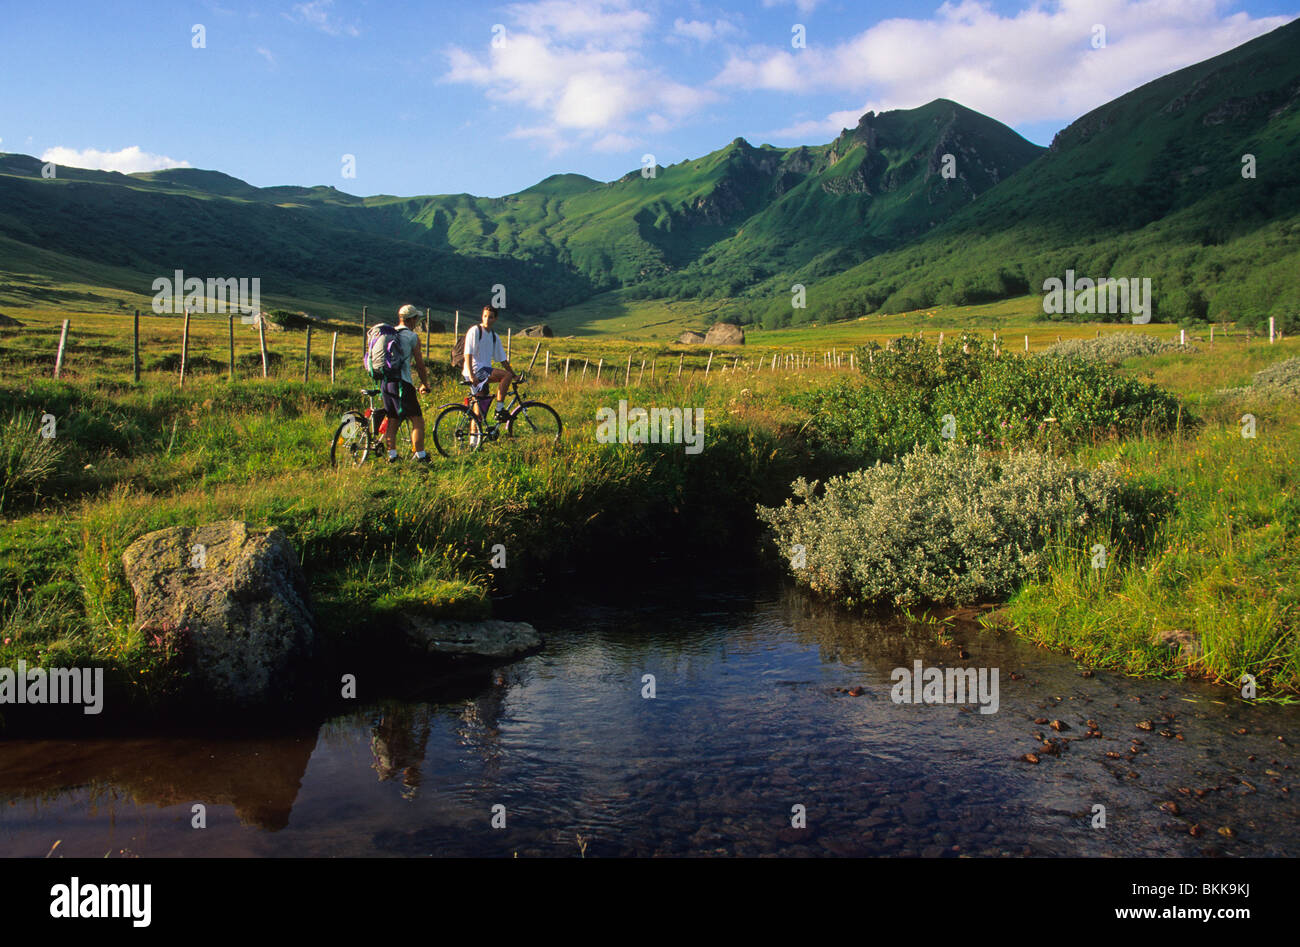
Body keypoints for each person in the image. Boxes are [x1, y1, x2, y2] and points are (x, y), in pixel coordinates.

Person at [383, 304, 432, 463]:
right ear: (412, 319)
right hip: (402, 383)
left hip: (386, 383)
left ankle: (392, 456)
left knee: (393, 419)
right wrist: (425, 383)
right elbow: (419, 364)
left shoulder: (389, 333)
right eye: (417, 318)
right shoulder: (411, 337)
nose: (418, 321)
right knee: (417, 420)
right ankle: (421, 456)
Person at [461, 305, 515, 423]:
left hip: (484, 371)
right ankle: (499, 410)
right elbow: (467, 354)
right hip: (476, 370)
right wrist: (471, 375)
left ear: (495, 319)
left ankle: (474, 440)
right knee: (506, 376)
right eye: (485, 316)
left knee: (480, 411)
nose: (486, 319)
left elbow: (502, 359)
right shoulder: (475, 330)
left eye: (490, 317)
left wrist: (514, 374)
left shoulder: (494, 336)